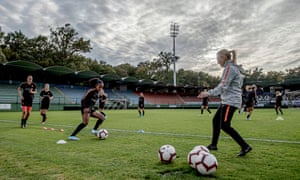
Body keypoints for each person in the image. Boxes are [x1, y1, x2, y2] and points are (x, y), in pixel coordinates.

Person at [198, 49, 252, 157]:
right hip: (228, 101)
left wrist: (208, 93)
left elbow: (223, 85)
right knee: (216, 120)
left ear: (224, 57)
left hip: (230, 101)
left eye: (218, 58)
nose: (217, 62)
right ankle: (214, 144)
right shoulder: (233, 67)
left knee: (225, 125)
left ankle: (245, 146)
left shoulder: (229, 68)